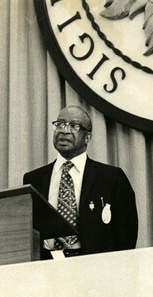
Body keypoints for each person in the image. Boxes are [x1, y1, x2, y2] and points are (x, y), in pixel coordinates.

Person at [23, 105, 138, 259]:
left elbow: (126, 237)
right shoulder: (34, 179)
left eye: (74, 126)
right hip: (46, 268)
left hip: (94, 268)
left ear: (88, 137)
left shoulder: (112, 178)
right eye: (60, 124)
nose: (64, 131)